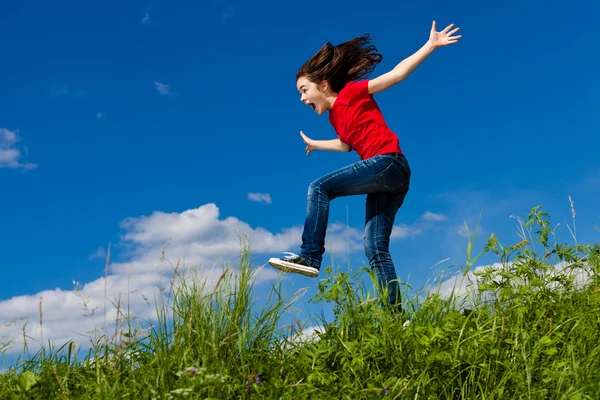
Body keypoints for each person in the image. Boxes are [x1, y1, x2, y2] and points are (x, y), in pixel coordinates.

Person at [268, 21, 461, 312]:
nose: (302, 98)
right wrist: (317, 144)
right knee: (375, 247)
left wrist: (430, 45)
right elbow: (346, 145)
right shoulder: (335, 117)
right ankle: (397, 318)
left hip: (387, 164)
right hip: (390, 177)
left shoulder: (352, 93)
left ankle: (309, 256)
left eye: (304, 90)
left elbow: (396, 75)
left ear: (323, 85)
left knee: (319, 187)